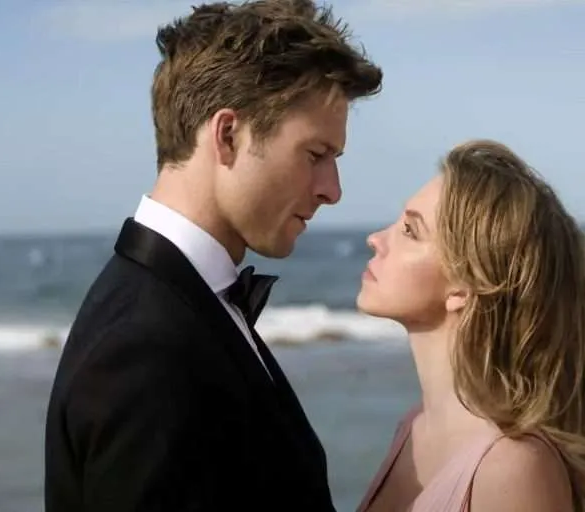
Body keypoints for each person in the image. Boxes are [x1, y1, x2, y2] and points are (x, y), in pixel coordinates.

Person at [43, 1, 382, 511]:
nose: (331, 190)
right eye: (315, 155)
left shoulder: (179, 304)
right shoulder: (145, 350)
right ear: (227, 136)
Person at [355, 140, 585, 512]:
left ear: (463, 286)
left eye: (410, 230)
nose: (375, 239)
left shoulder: (513, 470)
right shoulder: (412, 429)